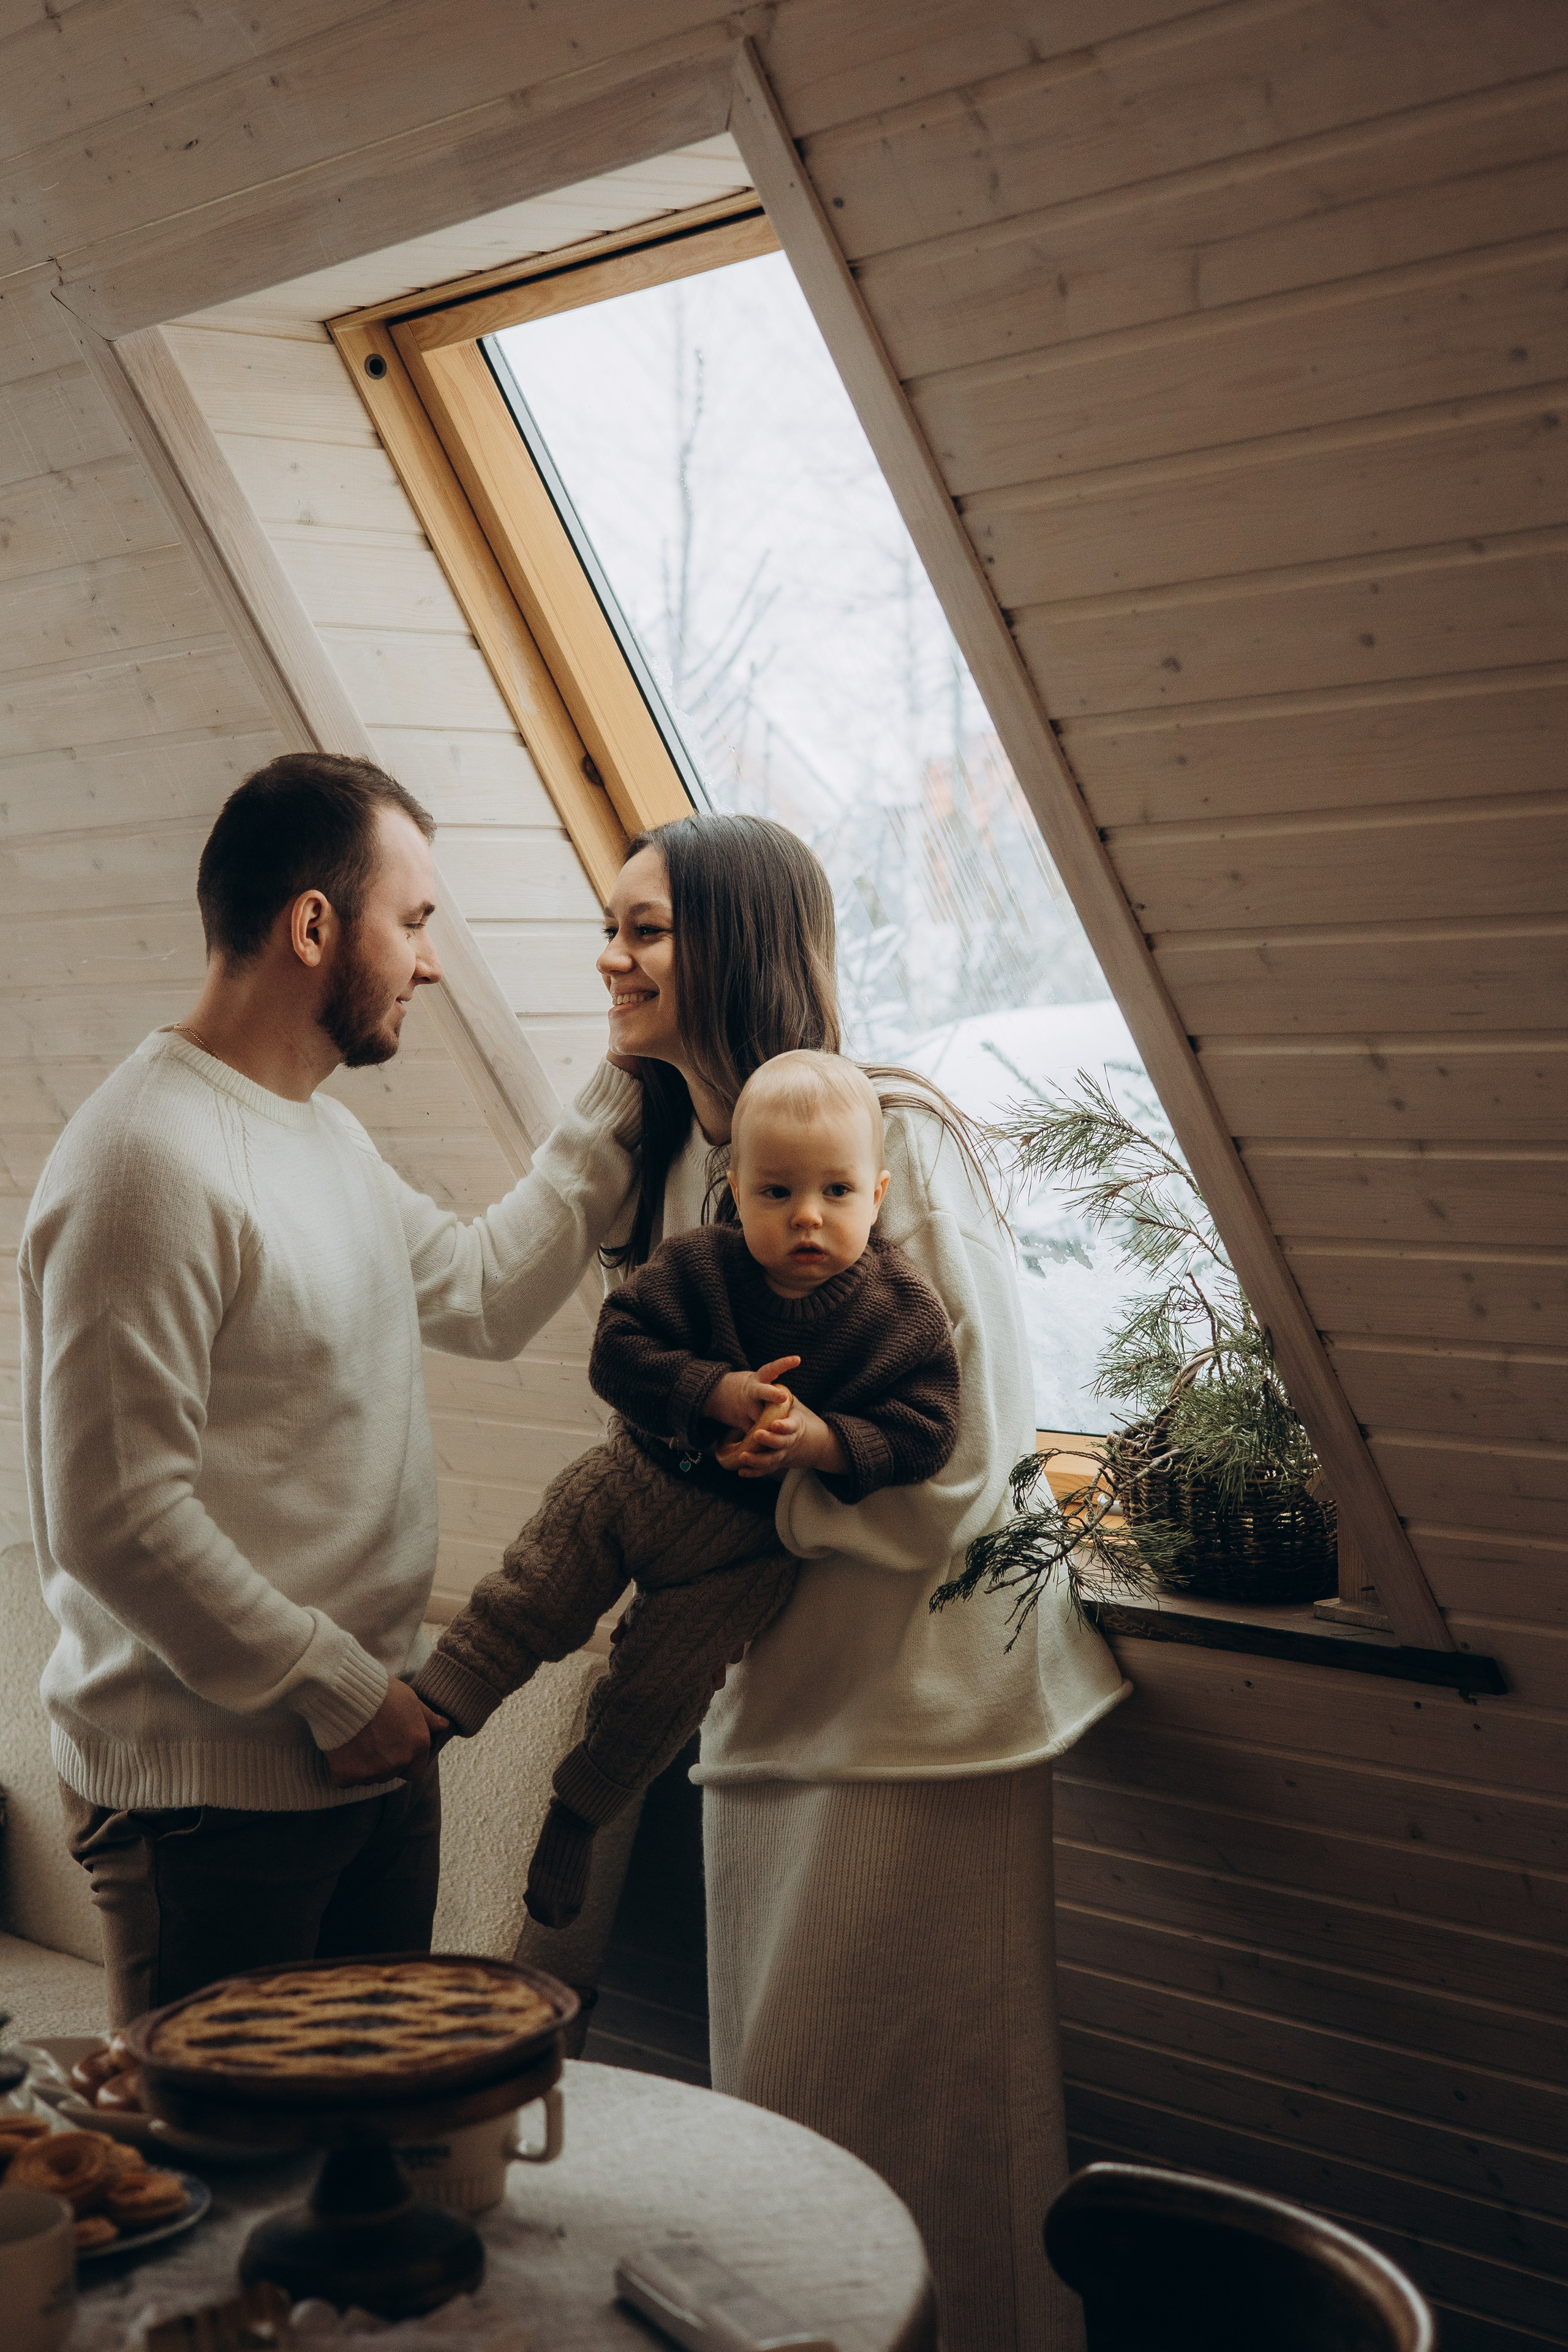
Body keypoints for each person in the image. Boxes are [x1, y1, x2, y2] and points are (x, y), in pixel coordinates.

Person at [578, 810, 1131, 2352]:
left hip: (922, 1716)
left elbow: (977, 1456)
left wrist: (773, 1501)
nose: (607, 958)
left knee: (930, 2135)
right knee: (784, 2133)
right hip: (769, 1707)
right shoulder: (692, 1170)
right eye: (607, 926)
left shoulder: (901, 1142)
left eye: (644, 930)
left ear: (737, 943)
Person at [19, 752, 644, 2027]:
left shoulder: (321, 1135)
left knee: (372, 2165)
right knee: (233, 2189)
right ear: (313, 923)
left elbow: (480, 1290)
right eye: (412, 922)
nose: (429, 961)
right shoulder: (144, 1163)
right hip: (214, 1800)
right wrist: (340, 1687)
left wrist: (625, 1083)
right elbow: (116, 1515)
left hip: (365, 1757)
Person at [412, 1052, 960, 1932]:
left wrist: (820, 1441)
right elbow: (617, 1351)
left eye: (837, 1192)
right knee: (531, 1592)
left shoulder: (899, 1313)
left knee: (655, 1697)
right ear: (737, 1189)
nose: (809, 1217)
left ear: (879, 1192)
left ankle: (579, 1812)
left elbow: (928, 1429)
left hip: (742, 1554)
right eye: (778, 1193)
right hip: (635, 1481)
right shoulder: (699, 1265)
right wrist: (714, 1392)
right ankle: (436, 1710)